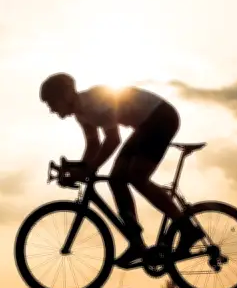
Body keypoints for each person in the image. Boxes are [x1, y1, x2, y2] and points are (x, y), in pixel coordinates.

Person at [39, 72, 204, 265]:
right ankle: (137, 243)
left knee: (136, 177)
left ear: (66, 95)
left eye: (51, 102)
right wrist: (79, 169)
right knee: (116, 179)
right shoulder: (82, 115)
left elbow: (113, 140)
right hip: (145, 125)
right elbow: (93, 146)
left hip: (161, 118)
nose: (51, 109)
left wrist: (87, 170)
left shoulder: (94, 103)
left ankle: (187, 229)